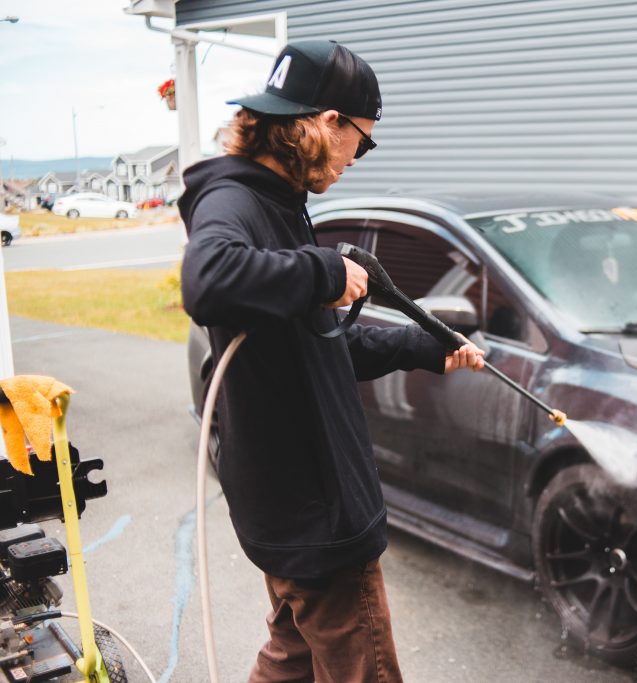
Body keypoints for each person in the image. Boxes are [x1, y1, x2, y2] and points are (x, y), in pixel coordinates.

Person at [178, 39, 484, 683]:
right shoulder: (236, 202)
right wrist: (322, 269)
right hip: (314, 515)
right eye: (361, 141)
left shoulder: (281, 207)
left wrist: (426, 346)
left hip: (294, 512)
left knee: (289, 662)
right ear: (323, 124)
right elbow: (206, 281)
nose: (357, 157)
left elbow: (320, 346)